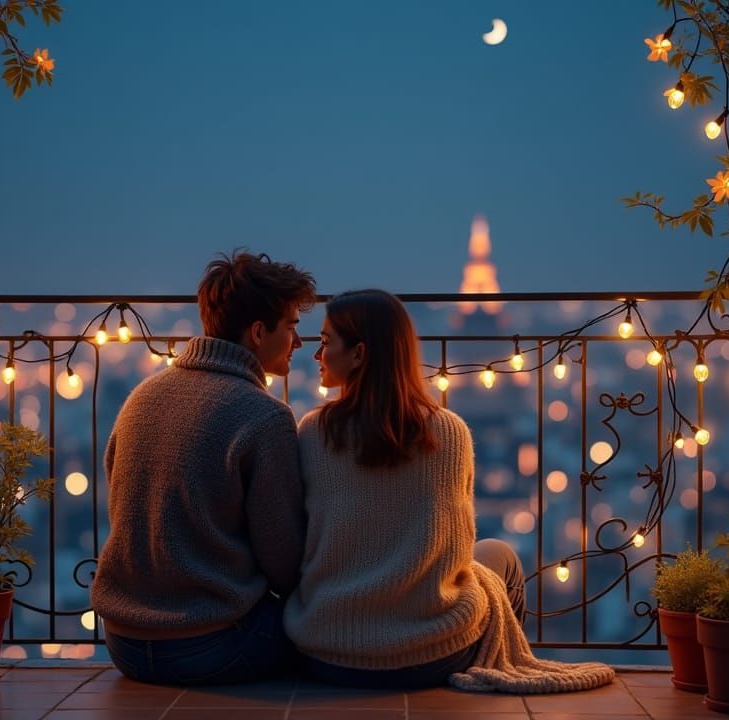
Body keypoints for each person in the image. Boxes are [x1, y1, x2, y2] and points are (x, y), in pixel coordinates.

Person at [91, 250, 317, 686]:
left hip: (124, 643)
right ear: (258, 332)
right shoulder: (264, 416)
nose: (298, 342)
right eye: (291, 327)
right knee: (333, 633)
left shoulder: (141, 398)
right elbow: (284, 561)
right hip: (209, 645)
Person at [283, 289, 526, 689]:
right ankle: (496, 671)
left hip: (328, 653)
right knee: (501, 556)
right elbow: (458, 550)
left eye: (326, 342)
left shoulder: (313, 431)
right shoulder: (449, 432)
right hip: (430, 655)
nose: (317, 354)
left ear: (359, 354)